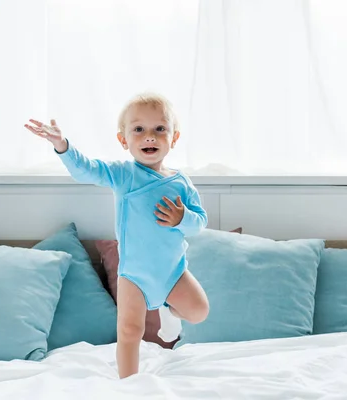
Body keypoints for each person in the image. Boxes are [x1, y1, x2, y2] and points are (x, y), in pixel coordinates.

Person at [25, 93, 209, 379]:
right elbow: (85, 170)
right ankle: (129, 384)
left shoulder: (181, 182)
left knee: (198, 311)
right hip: (134, 274)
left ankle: (170, 314)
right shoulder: (123, 175)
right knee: (129, 330)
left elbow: (200, 223)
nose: (150, 136)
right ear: (124, 140)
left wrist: (183, 217)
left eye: (160, 129)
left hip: (172, 271)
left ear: (174, 138)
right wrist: (62, 145)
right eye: (139, 129)